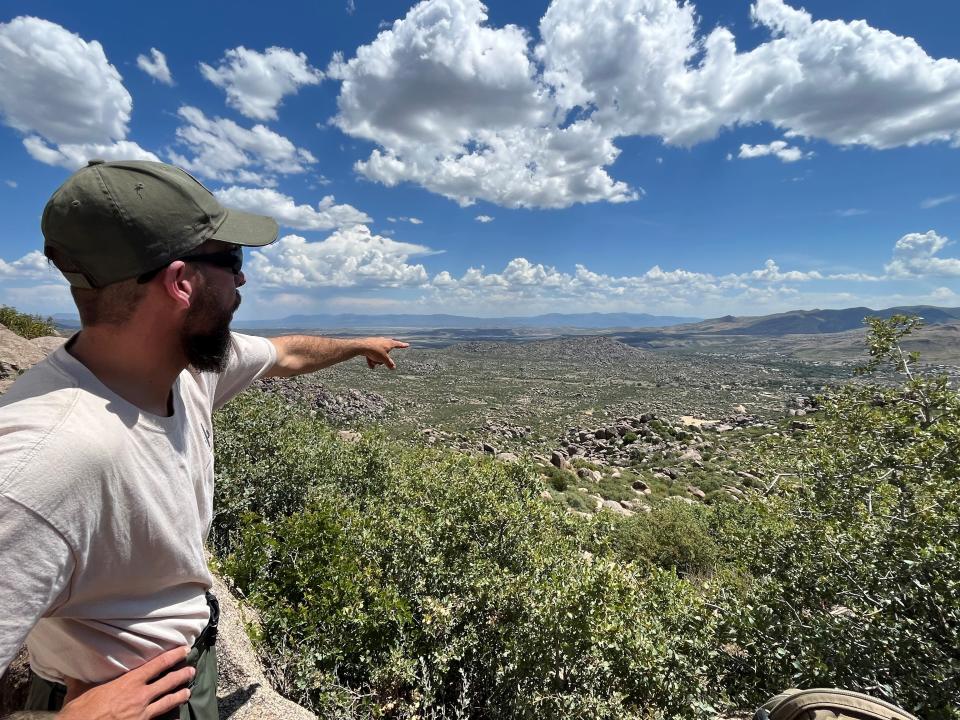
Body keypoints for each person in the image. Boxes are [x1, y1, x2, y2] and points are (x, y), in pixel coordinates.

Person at [0, 160, 409, 719]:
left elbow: (284, 354)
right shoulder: (42, 459)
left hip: (187, 676)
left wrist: (359, 344)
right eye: (231, 261)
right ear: (180, 282)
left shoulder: (185, 370)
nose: (241, 280)